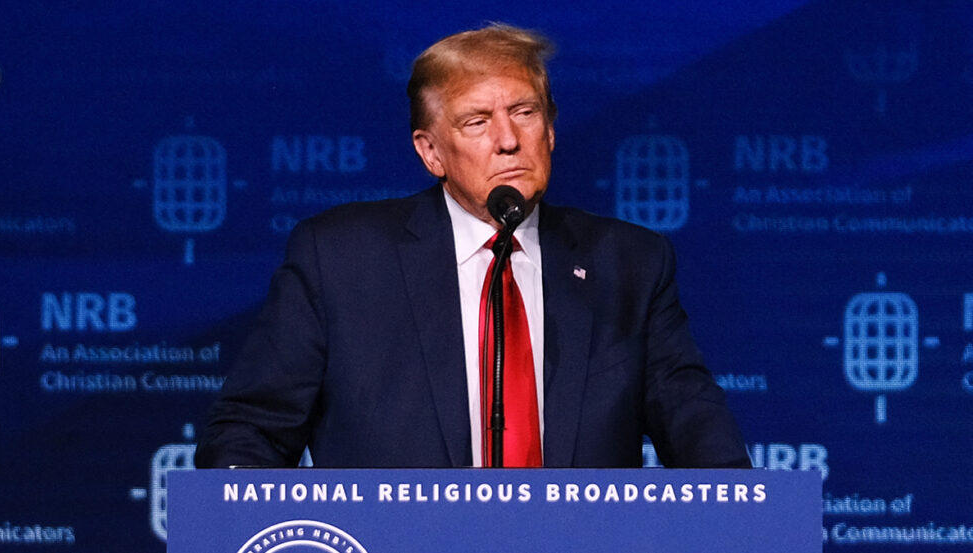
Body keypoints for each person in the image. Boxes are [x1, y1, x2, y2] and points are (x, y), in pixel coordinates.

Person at [195, 23, 750, 469]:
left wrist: (743, 510)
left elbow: (694, 423)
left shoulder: (628, 263)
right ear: (431, 152)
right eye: (476, 121)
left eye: (525, 113)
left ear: (551, 131)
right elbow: (250, 432)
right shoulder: (340, 259)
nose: (508, 139)